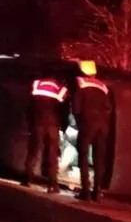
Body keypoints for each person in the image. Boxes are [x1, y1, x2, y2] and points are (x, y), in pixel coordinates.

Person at [71, 61, 112, 202]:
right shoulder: (103, 86)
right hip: (103, 126)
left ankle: (85, 192)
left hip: (88, 123)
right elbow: (108, 108)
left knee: (83, 156)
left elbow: (76, 108)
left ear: (82, 72)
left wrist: (79, 123)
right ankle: (97, 192)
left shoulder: (80, 84)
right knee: (99, 159)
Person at [22, 76, 69, 193]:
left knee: (33, 151)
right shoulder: (61, 89)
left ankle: (27, 179)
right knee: (52, 155)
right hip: (53, 125)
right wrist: (63, 127)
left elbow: (29, 106)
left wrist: (30, 122)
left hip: (37, 123)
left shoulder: (36, 84)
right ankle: (53, 184)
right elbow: (64, 111)